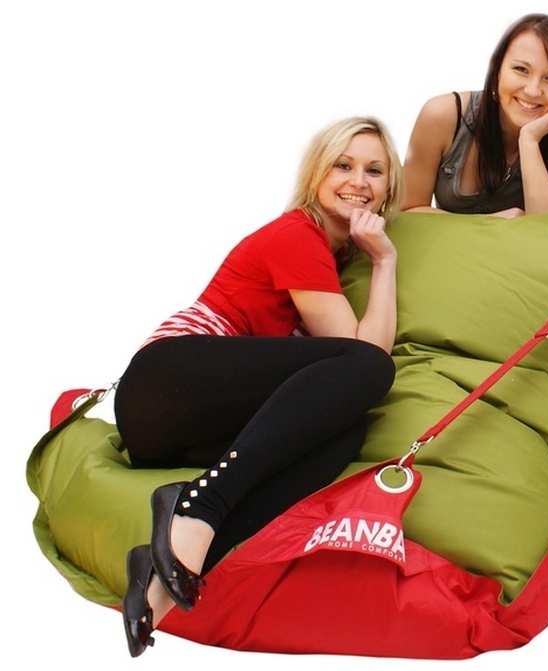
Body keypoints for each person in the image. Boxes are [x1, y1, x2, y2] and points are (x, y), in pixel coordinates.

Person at [115, 116, 404, 657]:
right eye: (343, 165)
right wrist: (385, 260)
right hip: (163, 382)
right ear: (316, 173)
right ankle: (196, 506)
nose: (358, 181)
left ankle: (159, 571)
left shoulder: (340, 254)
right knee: (368, 370)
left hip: (191, 427)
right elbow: (368, 356)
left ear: (390, 187)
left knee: (344, 434)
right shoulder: (298, 235)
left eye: (374, 171)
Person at [402, 13, 548, 218]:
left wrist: (529, 141)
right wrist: (492, 221)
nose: (533, 90)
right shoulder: (442, 115)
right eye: (521, 69)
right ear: (497, 70)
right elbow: (405, 214)